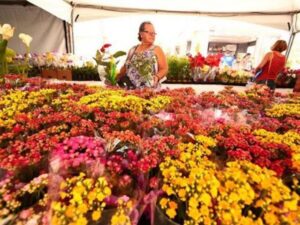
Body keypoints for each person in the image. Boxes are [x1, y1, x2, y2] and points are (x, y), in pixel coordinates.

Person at [117, 21, 168, 89]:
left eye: (153, 33)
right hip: (131, 91)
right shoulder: (132, 50)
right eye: (148, 32)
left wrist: (157, 77)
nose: (152, 35)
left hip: (150, 91)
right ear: (141, 33)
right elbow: (125, 68)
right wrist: (113, 77)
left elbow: (164, 68)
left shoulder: (157, 49)